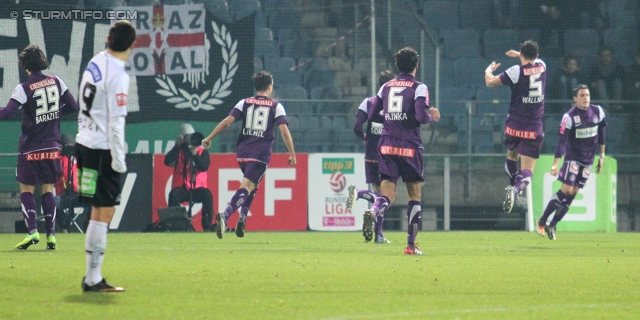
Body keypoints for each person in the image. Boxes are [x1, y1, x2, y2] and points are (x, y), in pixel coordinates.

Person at [76, 20, 135, 293]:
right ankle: (93, 279)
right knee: (104, 213)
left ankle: (92, 277)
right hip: (103, 149)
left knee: (95, 212)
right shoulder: (119, 74)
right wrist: (119, 159)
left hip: (83, 144)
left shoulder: (95, 61)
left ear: (109, 39)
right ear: (132, 45)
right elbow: (115, 122)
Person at [0, 44, 78, 250]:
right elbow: (73, 106)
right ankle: (51, 235)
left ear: (25, 66)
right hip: (52, 147)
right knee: (48, 189)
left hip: (30, 148)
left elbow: (7, 113)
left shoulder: (23, 88)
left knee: (26, 189)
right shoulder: (56, 82)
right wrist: (55, 113)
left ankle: (33, 231)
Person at [202, 71, 296, 239]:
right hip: (260, 153)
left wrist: (209, 138)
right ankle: (225, 215)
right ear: (269, 86)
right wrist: (292, 153)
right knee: (246, 187)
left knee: (253, 185)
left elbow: (226, 122)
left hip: (243, 152)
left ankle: (242, 218)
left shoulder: (243, 103)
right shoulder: (276, 106)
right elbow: (284, 131)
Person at [364, 47, 440, 255]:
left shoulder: (386, 86)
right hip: (409, 146)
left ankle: (373, 210)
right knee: (414, 194)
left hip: (386, 145)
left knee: (387, 194)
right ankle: (410, 245)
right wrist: (432, 115)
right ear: (416, 65)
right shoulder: (419, 87)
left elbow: (372, 114)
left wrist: (391, 118)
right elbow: (421, 116)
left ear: (398, 66)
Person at [485, 40, 547, 214]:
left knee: (512, 155)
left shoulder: (515, 72)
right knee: (527, 169)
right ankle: (515, 190)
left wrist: (488, 70)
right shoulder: (542, 66)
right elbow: (535, 60)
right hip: (533, 126)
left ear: (521, 54)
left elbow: (490, 82)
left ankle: (512, 186)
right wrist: (520, 54)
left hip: (514, 125)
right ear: (536, 55)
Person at [537, 84, 606, 240]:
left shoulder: (598, 112)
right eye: (581, 95)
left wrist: (601, 156)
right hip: (573, 158)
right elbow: (562, 143)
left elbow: (602, 135)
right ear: (575, 98)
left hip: (588, 160)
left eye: (587, 95)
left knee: (573, 193)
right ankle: (541, 221)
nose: (585, 98)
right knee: (566, 190)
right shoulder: (569, 117)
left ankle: (552, 224)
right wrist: (555, 164)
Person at [346, 70, 395, 244]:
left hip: (371, 154)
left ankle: (379, 235)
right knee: (387, 196)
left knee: (378, 193)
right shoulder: (395, 104)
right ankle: (360, 194)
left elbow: (357, 127)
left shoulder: (367, 102)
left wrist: (366, 138)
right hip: (388, 154)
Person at [164, 124, 214, 231]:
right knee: (173, 195)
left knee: (207, 195)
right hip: (181, 188)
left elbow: (204, 167)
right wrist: (177, 146)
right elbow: (167, 162)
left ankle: (207, 227)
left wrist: (195, 154)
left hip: (197, 188)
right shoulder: (178, 151)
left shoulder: (202, 152)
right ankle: (178, 226)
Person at [54, 133, 88, 233]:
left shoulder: (80, 157)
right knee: (55, 202)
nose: (70, 149)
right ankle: (64, 226)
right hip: (63, 194)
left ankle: (88, 227)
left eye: (71, 146)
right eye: (67, 146)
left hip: (79, 193)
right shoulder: (57, 159)